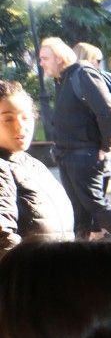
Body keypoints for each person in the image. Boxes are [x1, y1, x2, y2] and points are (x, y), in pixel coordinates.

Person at [38, 37, 111, 248]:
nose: (41, 63)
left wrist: (107, 147)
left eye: (45, 58)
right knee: (79, 208)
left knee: (96, 204)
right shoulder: (63, 79)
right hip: (68, 156)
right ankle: (79, 251)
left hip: (85, 156)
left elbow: (108, 113)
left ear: (60, 58)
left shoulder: (83, 74)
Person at [0, 80, 73, 253]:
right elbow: (3, 239)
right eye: (8, 119)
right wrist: (26, 276)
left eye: (25, 117)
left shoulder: (32, 164)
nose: (20, 126)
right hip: (32, 277)